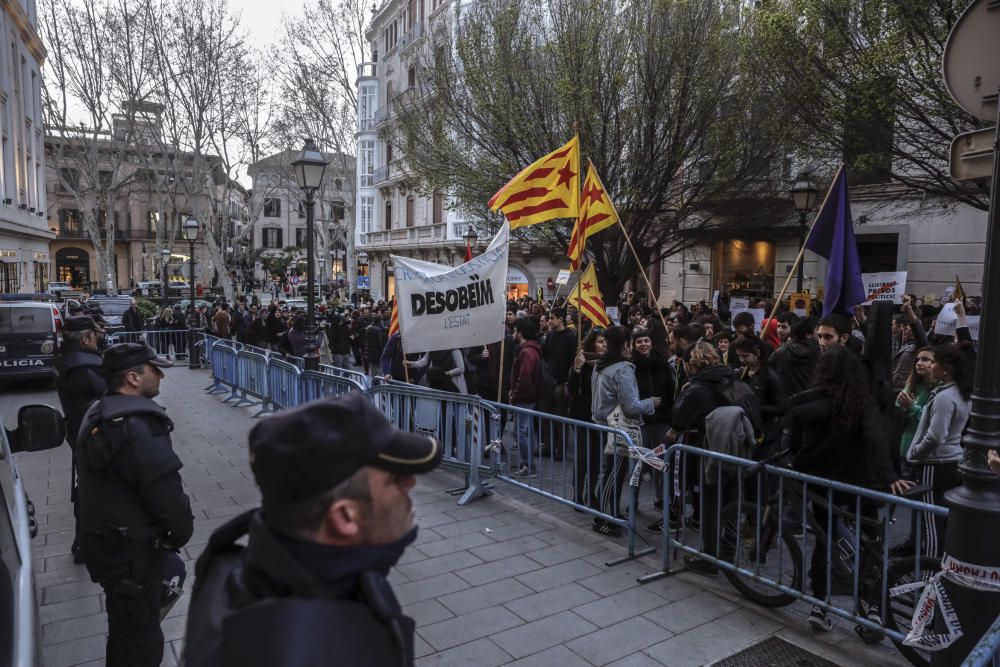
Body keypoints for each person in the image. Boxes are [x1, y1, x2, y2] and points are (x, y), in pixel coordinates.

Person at [183, 393, 442, 667]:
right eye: (394, 478)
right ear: (345, 516)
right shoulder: (334, 649)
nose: (410, 483)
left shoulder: (230, 564)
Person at [75, 343, 192, 666]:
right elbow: (165, 492)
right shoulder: (138, 424)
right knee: (140, 639)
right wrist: (181, 531)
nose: (161, 375)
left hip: (108, 544)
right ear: (133, 378)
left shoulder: (100, 411)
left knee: (125, 630)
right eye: (154, 369)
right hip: (132, 553)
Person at [784, 344, 896, 631]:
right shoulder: (860, 403)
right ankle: (874, 610)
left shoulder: (805, 404)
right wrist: (889, 474)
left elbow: (795, 446)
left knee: (824, 543)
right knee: (871, 544)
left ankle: (819, 606)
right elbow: (876, 439)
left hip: (821, 482)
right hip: (858, 481)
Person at [591, 325, 659, 537]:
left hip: (602, 424)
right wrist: (650, 403)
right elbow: (631, 405)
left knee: (612, 472)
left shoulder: (599, 365)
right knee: (614, 474)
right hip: (617, 429)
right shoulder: (623, 369)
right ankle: (603, 518)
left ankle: (609, 513)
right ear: (626, 345)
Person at [906, 344, 972, 558]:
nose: (930, 366)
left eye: (934, 362)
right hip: (951, 461)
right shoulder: (960, 392)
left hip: (935, 463)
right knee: (942, 519)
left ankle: (930, 573)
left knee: (931, 522)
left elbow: (936, 436)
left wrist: (916, 451)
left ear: (946, 368)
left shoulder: (945, 397)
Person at [55, 315, 108, 562]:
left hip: (82, 435)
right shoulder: (86, 368)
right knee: (95, 491)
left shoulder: (70, 362)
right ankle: (89, 543)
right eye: (96, 336)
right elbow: (110, 398)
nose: (99, 339)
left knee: (86, 488)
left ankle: (84, 541)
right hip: (96, 440)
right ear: (86, 338)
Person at [569, 330, 605, 509]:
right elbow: (573, 390)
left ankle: (591, 492)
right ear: (592, 344)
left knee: (597, 457)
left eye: (605, 341)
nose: (604, 344)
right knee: (583, 456)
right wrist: (576, 369)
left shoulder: (607, 364)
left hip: (601, 418)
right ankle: (577, 493)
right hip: (582, 415)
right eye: (600, 341)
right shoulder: (581, 362)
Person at [509, 317, 542, 477]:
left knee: (521, 432)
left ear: (520, 333)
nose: (512, 334)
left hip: (525, 397)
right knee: (522, 431)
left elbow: (525, 376)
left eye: (514, 331)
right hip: (525, 397)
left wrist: (515, 394)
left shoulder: (527, 352)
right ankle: (527, 463)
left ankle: (528, 465)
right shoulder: (527, 350)